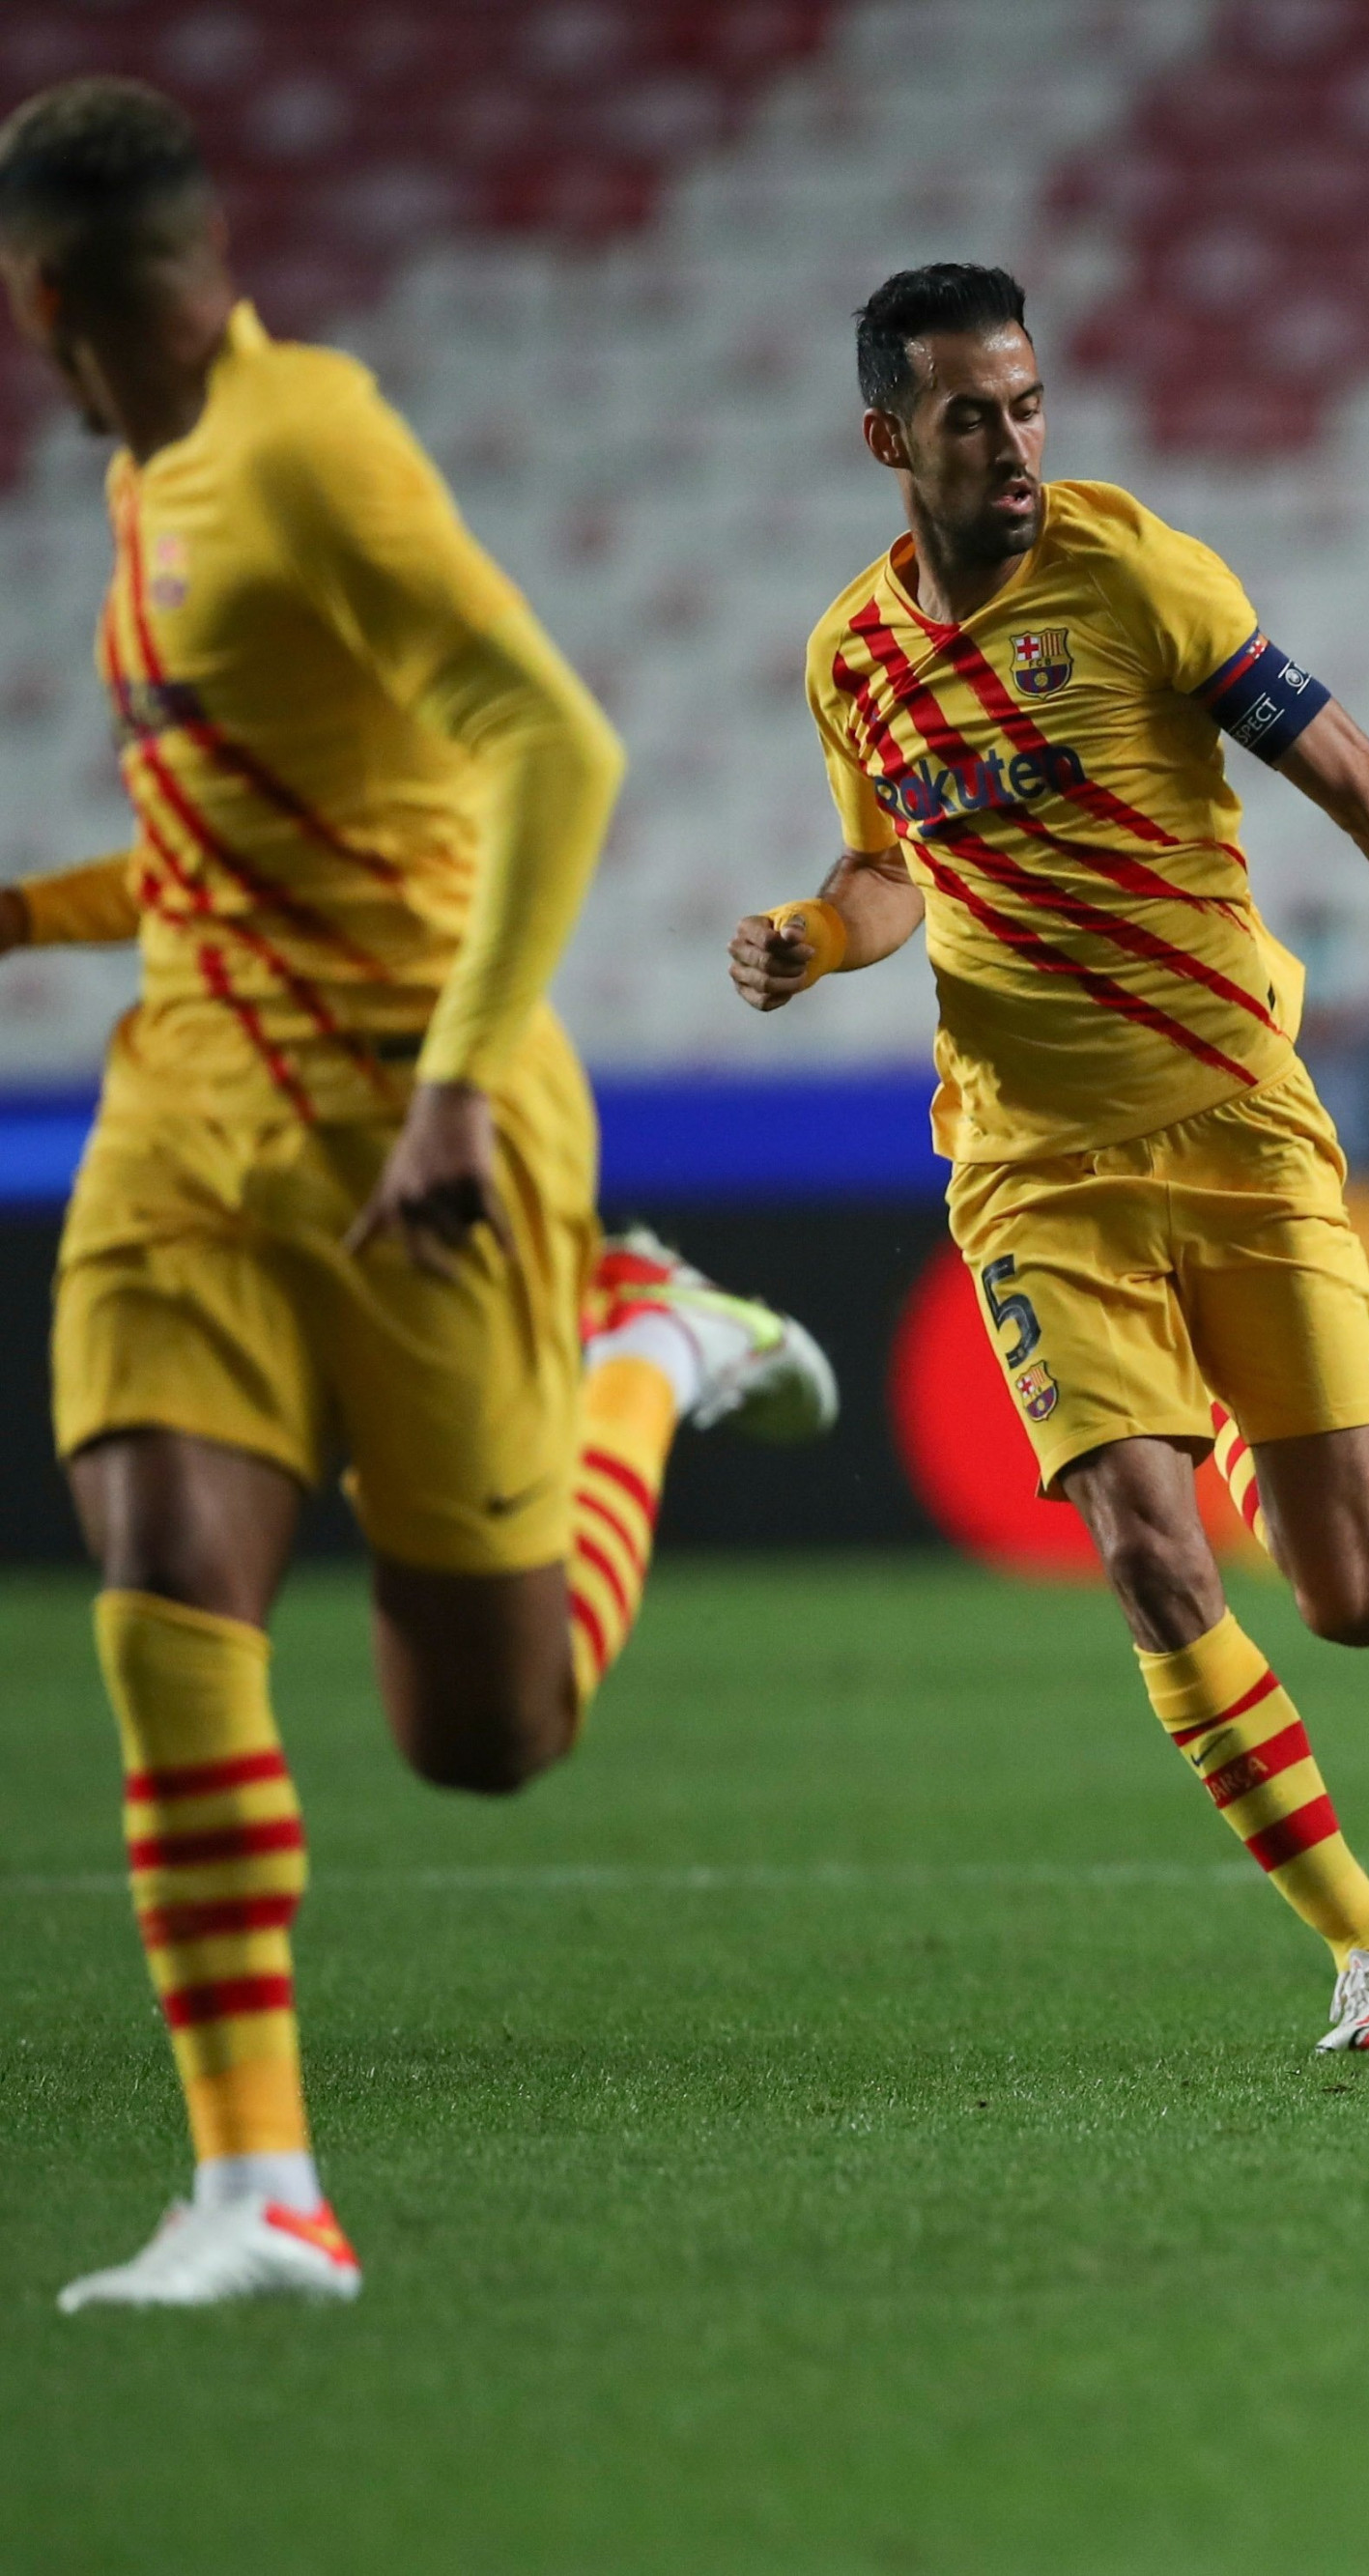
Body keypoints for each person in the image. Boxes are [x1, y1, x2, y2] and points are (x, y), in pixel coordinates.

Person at [3, 79, 833, 2312]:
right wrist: (22, 910)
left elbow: (553, 740)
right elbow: (234, 846)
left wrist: (461, 1087)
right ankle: (258, 2184)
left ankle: (643, 1345)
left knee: (488, 1733)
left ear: (51, 294)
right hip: (189, 1132)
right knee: (163, 1572)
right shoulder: (138, 474)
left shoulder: (308, 448)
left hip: (421, 1142)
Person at [729, 265, 1369, 2055]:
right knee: (1144, 1548)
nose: (1017, 442)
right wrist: (821, 930)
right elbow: (892, 867)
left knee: (1356, 1600)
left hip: (1239, 1122)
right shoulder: (851, 657)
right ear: (889, 438)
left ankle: (1259, 1453)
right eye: (973, 414)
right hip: (1035, 1167)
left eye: (1030, 403)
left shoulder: (1142, 579)